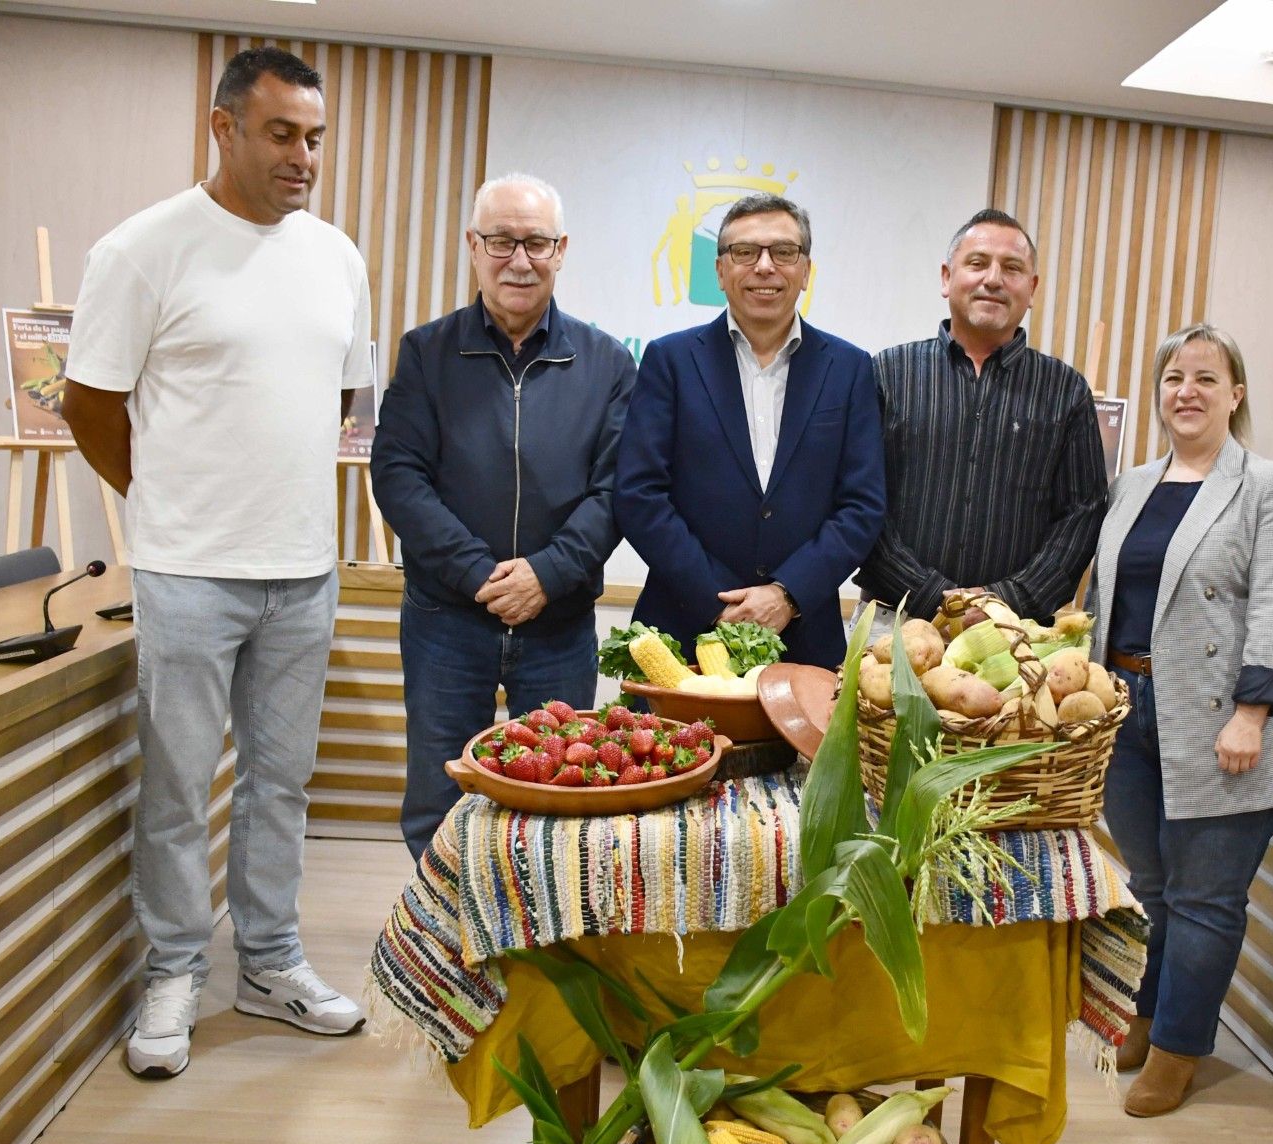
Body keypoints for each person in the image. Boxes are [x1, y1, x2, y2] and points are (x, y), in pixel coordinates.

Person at [64, 47, 372, 1080]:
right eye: (283, 133)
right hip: (187, 570)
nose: (304, 157)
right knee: (179, 783)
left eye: (316, 138)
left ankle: (271, 961)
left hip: (303, 566)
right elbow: (90, 405)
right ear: (224, 127)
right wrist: (165, 505)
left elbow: (336, 402)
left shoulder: (337, 254)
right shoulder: (142, 249)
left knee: (281, 784)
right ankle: (174, 968)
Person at [1086, 322, 1273, 1117]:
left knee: (1208, 897)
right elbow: (1108, 599)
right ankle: (1149, 1013)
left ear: (1236, 395)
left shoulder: (1270, 487)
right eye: (1174, 377)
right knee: (1153, 886)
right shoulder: (1135, 484)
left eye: (1206, 379)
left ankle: (1180, 1048)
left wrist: (1251, 712)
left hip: (1224, 721)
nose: (1187, 391)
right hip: (1129, 711)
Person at [372, 175, 633, 860]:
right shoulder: (427, 353)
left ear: (562, 249)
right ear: (473, 246)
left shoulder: (606, 362)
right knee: (440, 796)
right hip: (446, 619)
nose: (519, 259)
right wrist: (478, 574)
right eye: (501, 241)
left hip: (559, 621)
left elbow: (617, 490)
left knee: (557, 800)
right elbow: (398, 476)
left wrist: (546, 574)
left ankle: (534, 953)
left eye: (537, 242)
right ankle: (443, 950)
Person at [616, 193, 885, 667]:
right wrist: (720, 599)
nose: (765, 267)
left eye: (783, 252)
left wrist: (787, 594)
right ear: (720, 270)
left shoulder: (849, 368)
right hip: (683, 630)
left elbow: (861, 505)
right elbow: (639, 494)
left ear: (805, 270)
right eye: (745, 252)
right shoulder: (670, 361)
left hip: (803, 638)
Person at [855, 209, 1106, 623]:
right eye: (977, 263)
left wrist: (1004, 600)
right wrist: (932, 594)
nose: (993, 279)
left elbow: (1081, 515)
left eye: (1012, 268)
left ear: (1032, 287)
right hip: (892, 621)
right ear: (946, 277)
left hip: (1015, 629)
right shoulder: (886, 375)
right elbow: (859, 501)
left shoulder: (1066, 391)